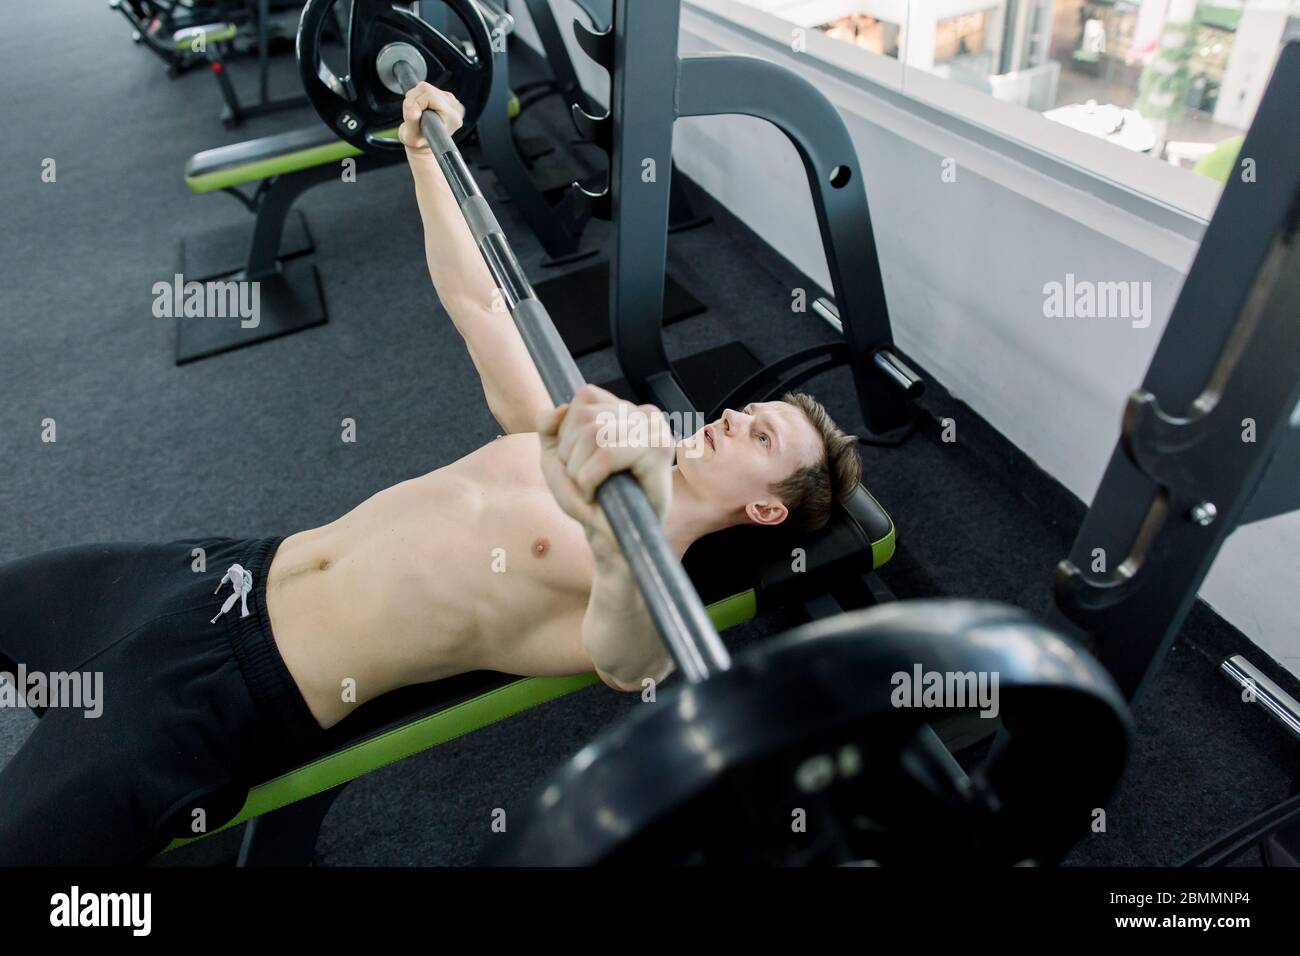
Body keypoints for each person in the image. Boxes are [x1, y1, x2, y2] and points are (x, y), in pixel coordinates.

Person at [0, 83, 862, 865]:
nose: (735, 417)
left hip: (228, 696)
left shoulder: (643, 579)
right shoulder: (570, 436)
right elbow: (480, 306)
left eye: (762, 436)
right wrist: (422, 156)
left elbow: (627, 662)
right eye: (751, 413)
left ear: (767, 510)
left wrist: (616, 523)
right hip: (210, 576)